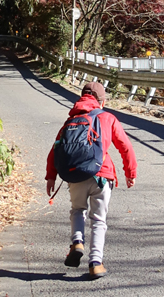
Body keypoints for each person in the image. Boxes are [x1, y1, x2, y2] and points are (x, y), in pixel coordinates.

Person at [46, 81, 137, 279]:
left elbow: (55, 150)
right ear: (101, 101)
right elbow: (125, 146)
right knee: (98, 220)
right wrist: (130, 172)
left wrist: (50, 176)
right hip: (101, 176)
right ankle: (95, 262)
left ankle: (77, 241)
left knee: (78, 210)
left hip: (75, 175)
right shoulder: (107, 118)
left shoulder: (71, 121)